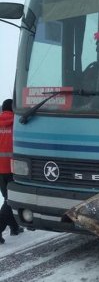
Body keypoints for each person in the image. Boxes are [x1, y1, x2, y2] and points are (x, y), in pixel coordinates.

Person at [0, 99, 23, 244]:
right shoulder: (17, 123)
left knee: (8, 198)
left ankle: (14, 227)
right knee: (11, 200)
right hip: (14, 168)